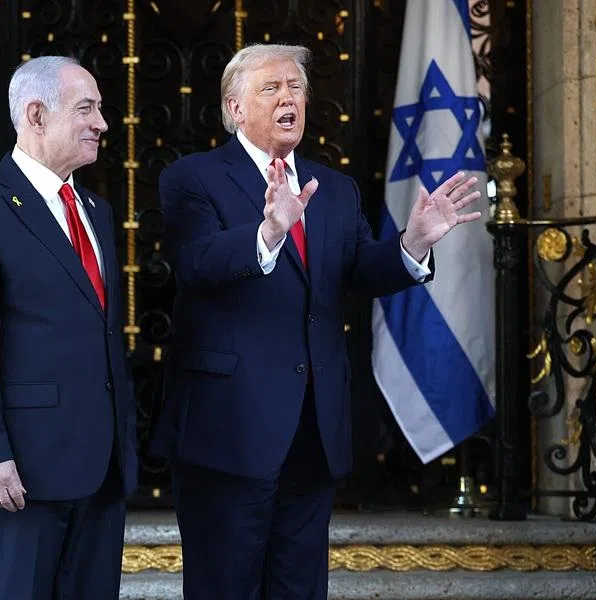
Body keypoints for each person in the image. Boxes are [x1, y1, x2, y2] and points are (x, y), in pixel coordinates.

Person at [151, 43, 482, 598]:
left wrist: (412, 243)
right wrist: (268, 234)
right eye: (272, 88)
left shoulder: (333, 188)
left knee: (300, 587)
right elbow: (198, 264)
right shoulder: (193, 178)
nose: (290, 99)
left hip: (313, 430)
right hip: (229, 429)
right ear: (235, 108)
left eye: (297, 88)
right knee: (224, 586)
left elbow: (358, 270)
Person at [0, 55, 137, 600]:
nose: (102, 123)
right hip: (19, 470)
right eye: (87, 109)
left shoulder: (96, 210)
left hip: (101, 465)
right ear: (36, 114)